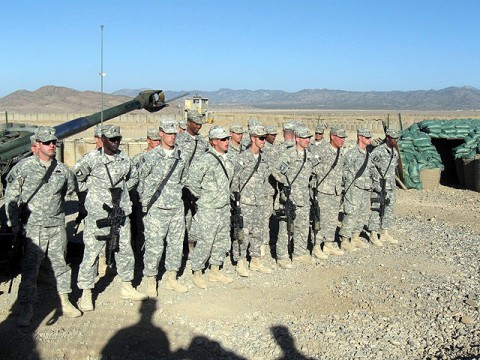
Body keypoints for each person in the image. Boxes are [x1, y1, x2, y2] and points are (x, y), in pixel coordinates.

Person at [5, 126, 81, 327]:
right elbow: (11, 196)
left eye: (54, 142)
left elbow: (70, 192)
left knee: (61, 266)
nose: (52, 146)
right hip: (32, 229)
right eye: (47, 142)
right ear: (35, 146)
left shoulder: (62, 170)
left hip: (56, 227)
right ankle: (27, 308)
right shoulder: (23, 168)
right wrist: (13, 224)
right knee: (30, 270)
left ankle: (65, 301)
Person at [73, 125, 147, 312]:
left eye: (118, 139)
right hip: (98, 214)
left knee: (125, 250)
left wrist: (122, 192)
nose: (115, 142)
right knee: (91, 253)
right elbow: (77, 179)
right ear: (103, 139)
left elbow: (133, 178)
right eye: (112, 139)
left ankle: (127, 286)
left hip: (120, 212)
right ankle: (86, 293)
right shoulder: (91, 159)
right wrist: (94, 194)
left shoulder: (124, 158)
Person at [138, 119, 188, 295]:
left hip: (175, 208)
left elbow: (183, 179)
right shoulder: (150, 157)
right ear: (160, 133)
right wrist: (147, 204)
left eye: (174, 133)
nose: (172, 137)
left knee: (175, 244)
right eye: (168, 133)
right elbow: (140, 181)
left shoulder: (181, 157)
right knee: (154, 245)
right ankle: (150, 280)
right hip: (156, 209)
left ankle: (171, 278)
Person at [185, 126, 235, 289]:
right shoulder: (204, 160)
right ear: (213, 142)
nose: (227, 142)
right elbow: (192, 183)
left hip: (224, 207)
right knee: (206, 240)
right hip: (209, 208)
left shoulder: (230, 158)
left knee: (221, 240)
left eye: (227, 139)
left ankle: (215, 270)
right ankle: (197, 271)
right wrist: (205, 197)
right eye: (223, 139)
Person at [231, 125, 273, 277]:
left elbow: (264, 180)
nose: (264, 141)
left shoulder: (264, 159)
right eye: (261, 138)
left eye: (265, 138)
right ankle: (241, 261)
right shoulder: (243, 158)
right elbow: (234, 181)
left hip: (259, 202)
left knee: (258, 232)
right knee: (242, 233)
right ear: (253, 138)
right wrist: (237, 201)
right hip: (245, 202)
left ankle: (255, 260)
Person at [272, 126, 315, 268]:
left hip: (304, 198)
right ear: (297, 139)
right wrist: (286, 183)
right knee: (286, 227)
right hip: (290, 197)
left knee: (303, 227)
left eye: (309, 138)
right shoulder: (288, 155)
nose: (308, 140)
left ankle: (299, 253)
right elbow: (275, 171)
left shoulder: (309, 156)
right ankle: (282, 256)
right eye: (304, 138)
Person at [176, 111, 209, 257]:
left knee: (198, 217)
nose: (199, 126)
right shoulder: (179, 140)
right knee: (183, 218)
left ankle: (194, 245)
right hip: (182, 186)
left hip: (198, 187)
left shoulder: (202, 142)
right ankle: (182, 247)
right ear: (188, 122)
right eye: (196, 123)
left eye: (200, 124)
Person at [312, 127, 347, 258]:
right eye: (340, 137)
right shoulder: (323, 150)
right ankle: (316, 246)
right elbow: (312, 167)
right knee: (321, 219)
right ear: (332, 137)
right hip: (323, 190)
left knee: (332, 220)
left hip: (336, 191)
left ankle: (328, 244)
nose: (342, 140)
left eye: (344, 138)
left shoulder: (340, 152)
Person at [338, 128, 373, 250]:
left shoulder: (368, 154)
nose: (369, 139)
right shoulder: (351, 154)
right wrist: (349, 181)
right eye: (367, 137)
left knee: (362, 213)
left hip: (365, 188)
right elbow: (343, 171)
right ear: (360, 137)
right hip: (353, 188)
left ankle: (355, 237)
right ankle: (345, 240)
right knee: (351, 212)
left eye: (369, 137)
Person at [130, 128, 162, 255]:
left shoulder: (162, 158)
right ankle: (139, 256)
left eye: (159, 140)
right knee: (141, 230)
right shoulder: (139, 159)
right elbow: (133, 180)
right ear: (148, 140)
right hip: (142, 202)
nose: (157, 143)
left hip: (159, 201)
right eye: (155, 140)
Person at [367, 128, 400, 245]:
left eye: (397, 138)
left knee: (388, 210)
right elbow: (370, 167)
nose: (395, 141)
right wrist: (376, 182)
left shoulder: (394, 152)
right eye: (393, 139)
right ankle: (373, 234)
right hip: (379, 185)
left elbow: (393, 169)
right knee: (376, 209)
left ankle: (384, 233)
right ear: (388, 138)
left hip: (390, 186)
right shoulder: (378, 151)